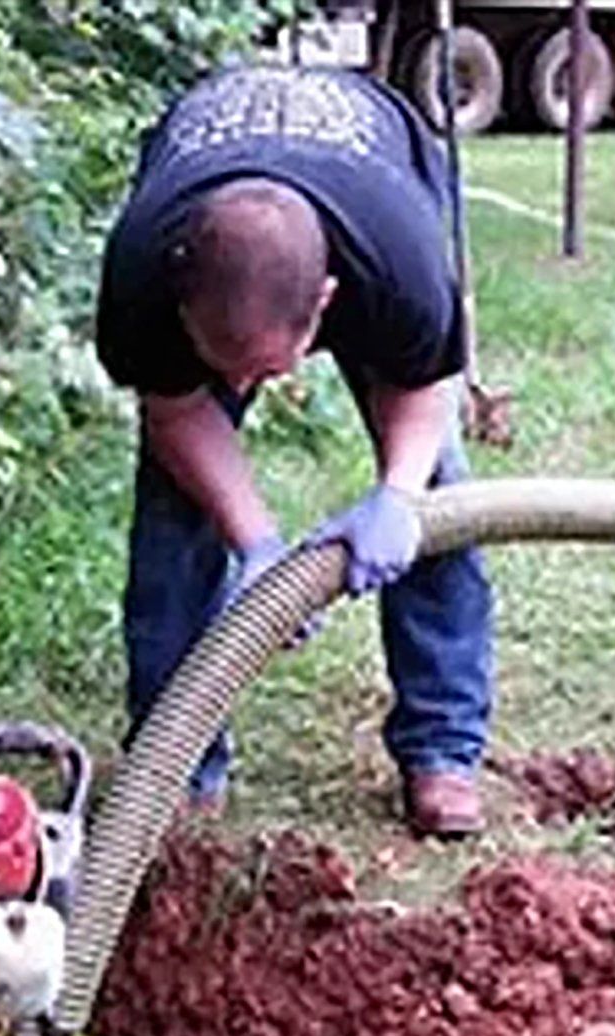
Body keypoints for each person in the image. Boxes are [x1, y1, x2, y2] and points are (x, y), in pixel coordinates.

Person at [95, 64, 494, 837]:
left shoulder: (398, 260)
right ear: (182, 302)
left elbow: (423, 386)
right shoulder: (144, 271)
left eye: (266, 368)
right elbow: (176, 411)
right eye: (223, 362)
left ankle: (442, 752)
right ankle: (174, 767)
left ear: (325, 307)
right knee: (175, 523)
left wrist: (400, 500)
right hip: (207, 151)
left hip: (376, 156)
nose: (242, 385)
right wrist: (259, 544)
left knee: (441, 499)